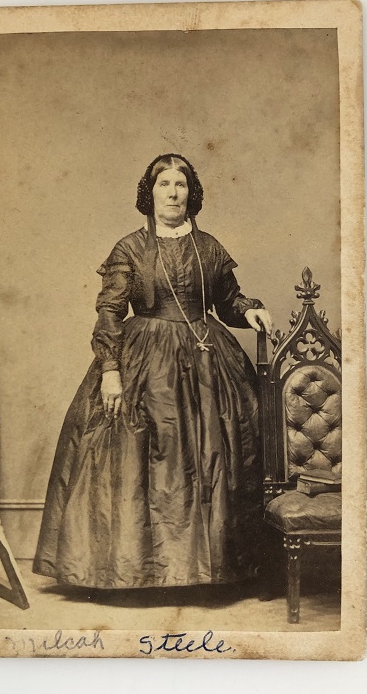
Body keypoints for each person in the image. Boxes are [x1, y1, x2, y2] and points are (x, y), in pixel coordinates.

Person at [33, 154, 272, 590]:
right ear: (151, 193)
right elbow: (109, 311)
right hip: (144, 358)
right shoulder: (129, 248)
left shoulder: (210, 247)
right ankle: (136, 570)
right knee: (142, 454)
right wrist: (110, 369)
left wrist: (250, 311)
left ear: (191, 193)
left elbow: (227, 300)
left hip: (207, 357)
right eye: (164, 184)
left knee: (215, 454)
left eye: (181, 184)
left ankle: (209, 566)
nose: (173, 192)